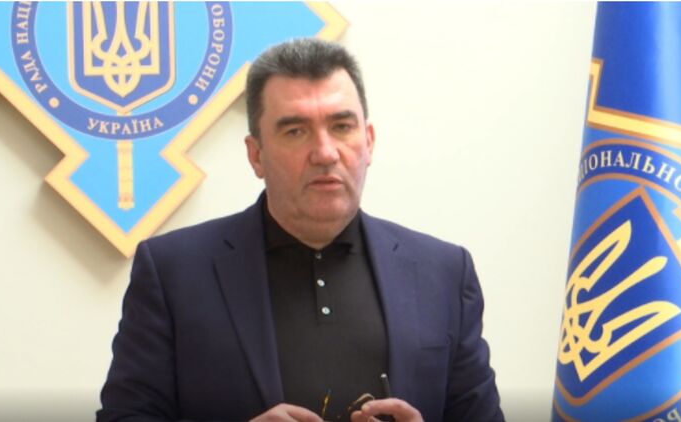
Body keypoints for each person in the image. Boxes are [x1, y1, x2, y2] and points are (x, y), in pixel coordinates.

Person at [97, 38, 503, 422]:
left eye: (341, 126)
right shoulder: (172, 272)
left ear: (369, 141)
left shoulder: (444, 272)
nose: (325, 153)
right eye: (296, 131)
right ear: (256, 155)